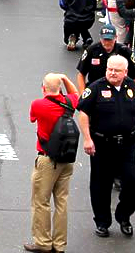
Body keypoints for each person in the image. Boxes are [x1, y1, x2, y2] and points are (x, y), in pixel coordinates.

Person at [76, 54, 135, 238]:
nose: (112, 73)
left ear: (125, 72)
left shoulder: (133, 87)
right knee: (101, 185)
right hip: (102, 145)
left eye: (117, 70)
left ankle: (124, 216)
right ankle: (102, 222)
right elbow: (83, 113)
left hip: (128, 145)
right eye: (109, 69)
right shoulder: (95, 88)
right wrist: (87, 139)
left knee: (131, 182)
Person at [26, 72, 79, 253]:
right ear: (60, 88)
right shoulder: (69, 103)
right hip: (66, 159)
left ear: (43, 88)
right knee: (61, 202)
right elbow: (76, 94)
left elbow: (32, 118)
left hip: (47, 159)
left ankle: (42, 242)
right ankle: (59, 244)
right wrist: (64, 78)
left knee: (41, 201)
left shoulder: (38, 105)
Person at [75, 25, 135, 91]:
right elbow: (81, 74)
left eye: (110, 39)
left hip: (119, 90)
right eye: (105, 39)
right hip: (95, 89)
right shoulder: (91, 50)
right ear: (100, 38)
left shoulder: (125, 51)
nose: (107, 42)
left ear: (116, 37)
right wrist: (82, 95)